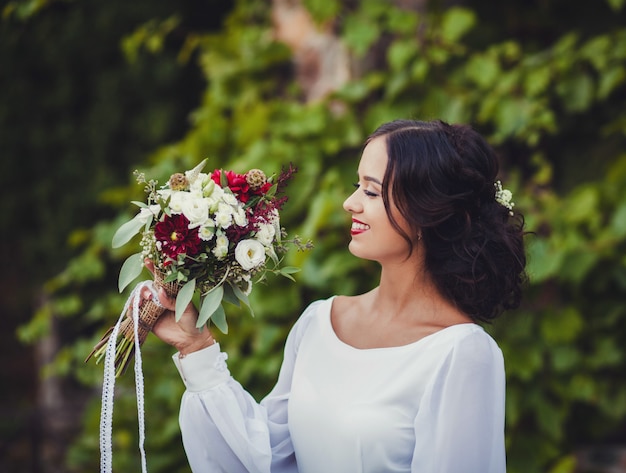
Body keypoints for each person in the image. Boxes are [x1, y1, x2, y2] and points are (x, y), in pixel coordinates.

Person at [142, 119, 527, 473]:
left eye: (372, 191)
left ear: (430, 212)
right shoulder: (319, 322)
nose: (350, 202)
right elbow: (264, 459)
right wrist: (196, 346)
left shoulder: (462, 353)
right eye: (358, 185)